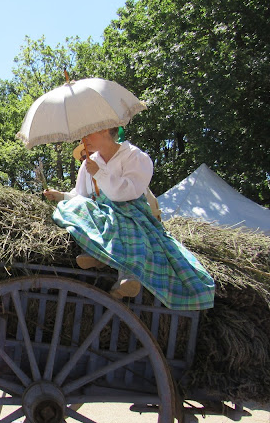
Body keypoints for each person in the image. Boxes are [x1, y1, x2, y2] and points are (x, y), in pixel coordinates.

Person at [47, 127, 215, 310]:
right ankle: (98, 252)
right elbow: (82, 196)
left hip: (128, 209)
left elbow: (127, 192)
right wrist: (61, 196)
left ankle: (127, 277)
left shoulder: (135, 157)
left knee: (126, 227)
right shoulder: (89, 163)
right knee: (73, 206)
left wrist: (99, 173)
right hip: (99, 212)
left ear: (105, 130)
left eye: (88, 133)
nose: (83, 139)